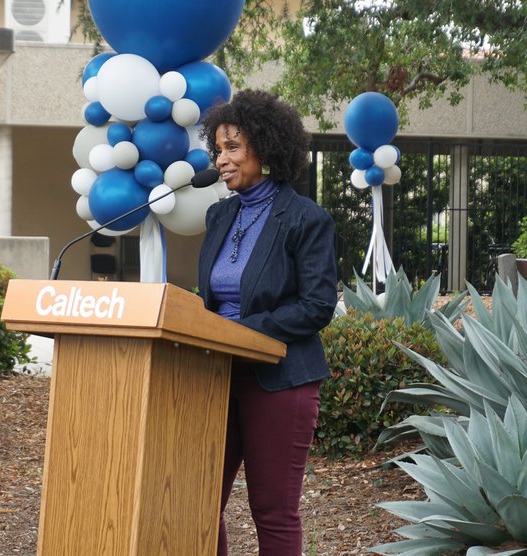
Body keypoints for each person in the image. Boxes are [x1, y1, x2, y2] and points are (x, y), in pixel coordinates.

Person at [197, 89, 338, 555]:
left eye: (233, 147)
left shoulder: (304, 218)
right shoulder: (218, 216)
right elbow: (212, 301)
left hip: (280, 380)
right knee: (198, 500)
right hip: (218, 376)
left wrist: (245, 332)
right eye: (218, 149)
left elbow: (318, 305)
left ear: (266, 147)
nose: (222, 159)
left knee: (273, 511)